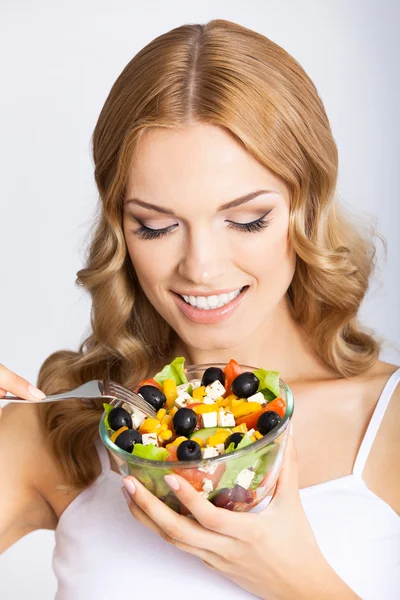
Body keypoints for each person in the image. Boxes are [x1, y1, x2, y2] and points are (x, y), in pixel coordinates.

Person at [0, 18, 399, 600]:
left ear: (305, 209)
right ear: (120, 229)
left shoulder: (387, 425)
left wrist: (292, 580)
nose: (202, 268)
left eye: (246, 220)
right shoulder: (64, 428)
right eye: (157, 226)